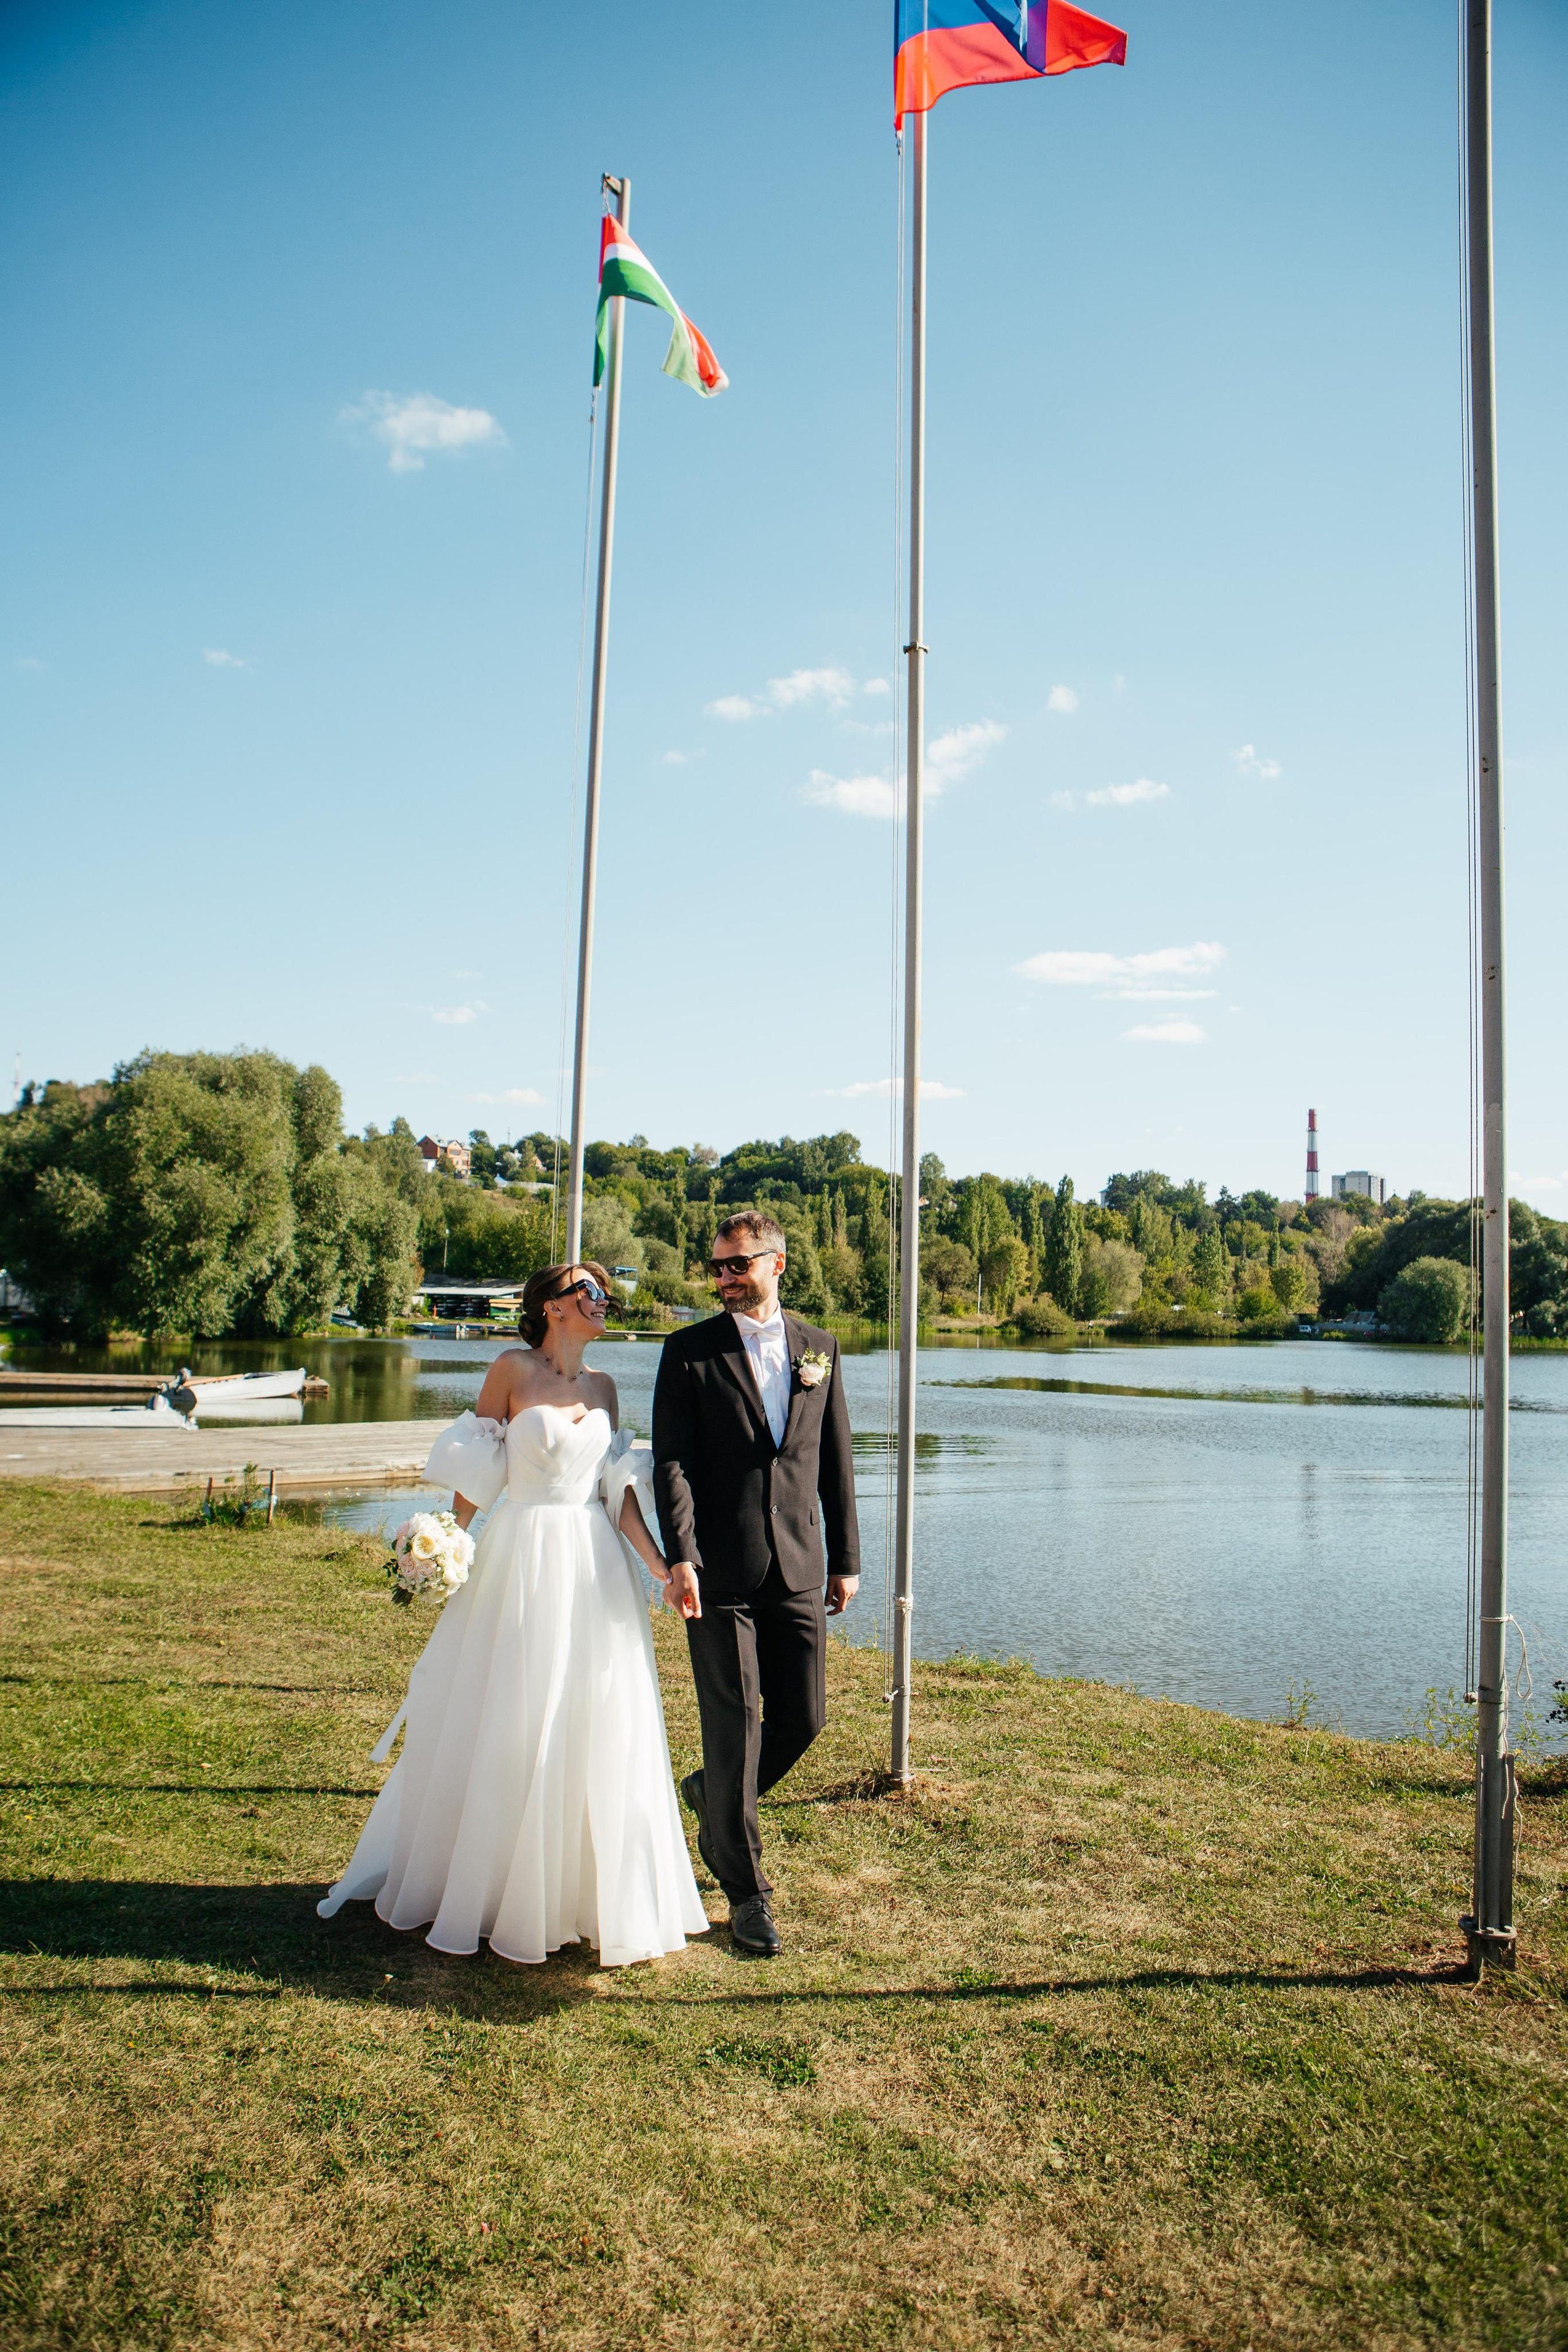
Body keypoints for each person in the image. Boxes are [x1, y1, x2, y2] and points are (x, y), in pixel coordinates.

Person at [317, 1261, 708, 1969]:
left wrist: (661, 1568)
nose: (602, 1301)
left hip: (592, 1568)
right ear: (552, 1308)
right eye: (588, 1291)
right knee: (509, 1707)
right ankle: (488, 1887)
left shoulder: (605, 1388)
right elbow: (479, 1473)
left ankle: (580, 1895)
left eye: (603, 1292)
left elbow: (615, 1491)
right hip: (520, 1554)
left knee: (592, 1713)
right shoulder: (509, 1369)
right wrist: (443, 1546)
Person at [652, 1210, 860, 1956]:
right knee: (735, 1726)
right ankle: (746, 1893)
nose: (723, 1279)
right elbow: (669, 1463)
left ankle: (712, 1799)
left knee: (803, 1719)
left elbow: (833, 1457)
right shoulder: (687, 1352)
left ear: (777, 1264)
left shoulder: (820, 1350)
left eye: (737, 1266)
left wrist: (846, 1560)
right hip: (717, 1568)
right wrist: (681, 1556)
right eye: (715, 1268)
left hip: (800, 1564)